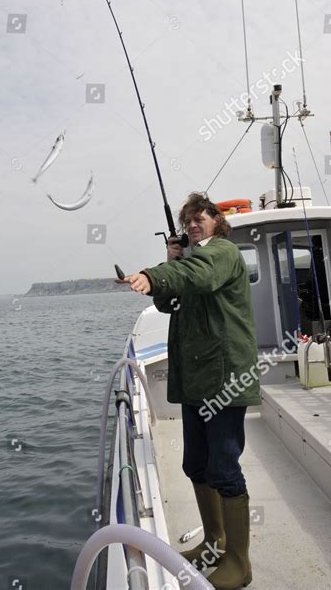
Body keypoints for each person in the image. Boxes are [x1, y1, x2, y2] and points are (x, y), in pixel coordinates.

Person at [116, 192, 260, 590]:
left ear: (216, 221)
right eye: (188, 221)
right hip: (199, 382)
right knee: (195, 465)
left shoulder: (224, 254)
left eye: (201, 218)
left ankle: (239, 563)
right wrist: (168, 269)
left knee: (225, 469)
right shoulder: (192, 261)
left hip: (225, 379)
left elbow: (199, 275)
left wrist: (157, 272)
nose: (194, 224)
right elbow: (169, 302)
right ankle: (214, 544)